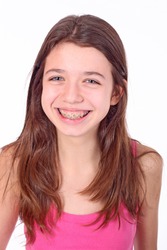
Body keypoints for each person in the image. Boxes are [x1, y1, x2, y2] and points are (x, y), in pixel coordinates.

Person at [0, 14, 163, 250]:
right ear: (41, 85)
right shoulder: (14, 163)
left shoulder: (143, 166)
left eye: (91, 81)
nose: (72, 96)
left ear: (116, 92)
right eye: (57, 78)